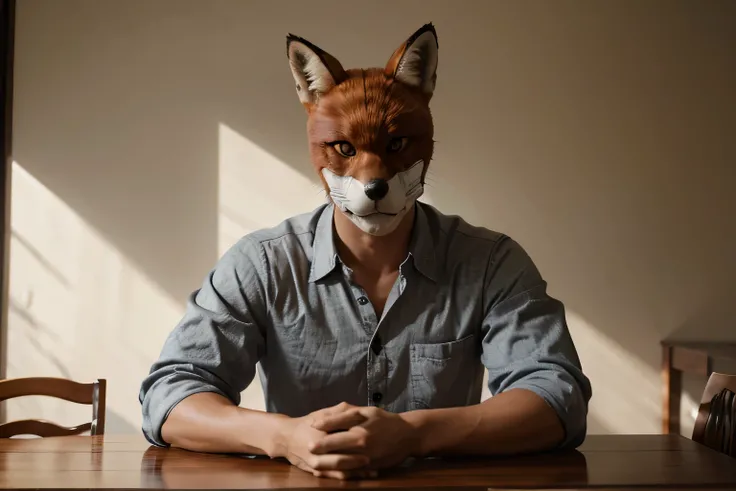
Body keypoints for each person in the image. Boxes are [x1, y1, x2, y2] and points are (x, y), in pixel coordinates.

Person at [139, 23, 592, 480]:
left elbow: (558, 395)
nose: (372, 179)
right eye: (343, 148)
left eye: (395, 146)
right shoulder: (262, 264)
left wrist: (414, 434)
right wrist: (285, 437)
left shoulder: (491, 263)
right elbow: (170, 394)